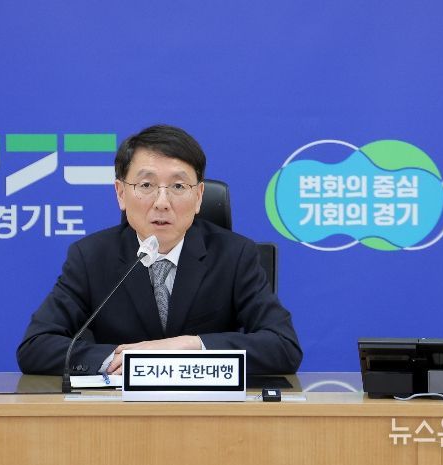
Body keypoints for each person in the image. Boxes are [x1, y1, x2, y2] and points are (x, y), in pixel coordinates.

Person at [16, 124, 302, 375]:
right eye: (146, 185)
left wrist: (191, 346)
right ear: (121, 193)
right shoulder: (91, 257)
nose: (162, 202)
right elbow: (36, 346)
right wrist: (122, 360)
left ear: (199, 196)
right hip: (120, 412)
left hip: (208, 410)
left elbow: (283, 346)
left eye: (178, 186)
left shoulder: (235, 255)